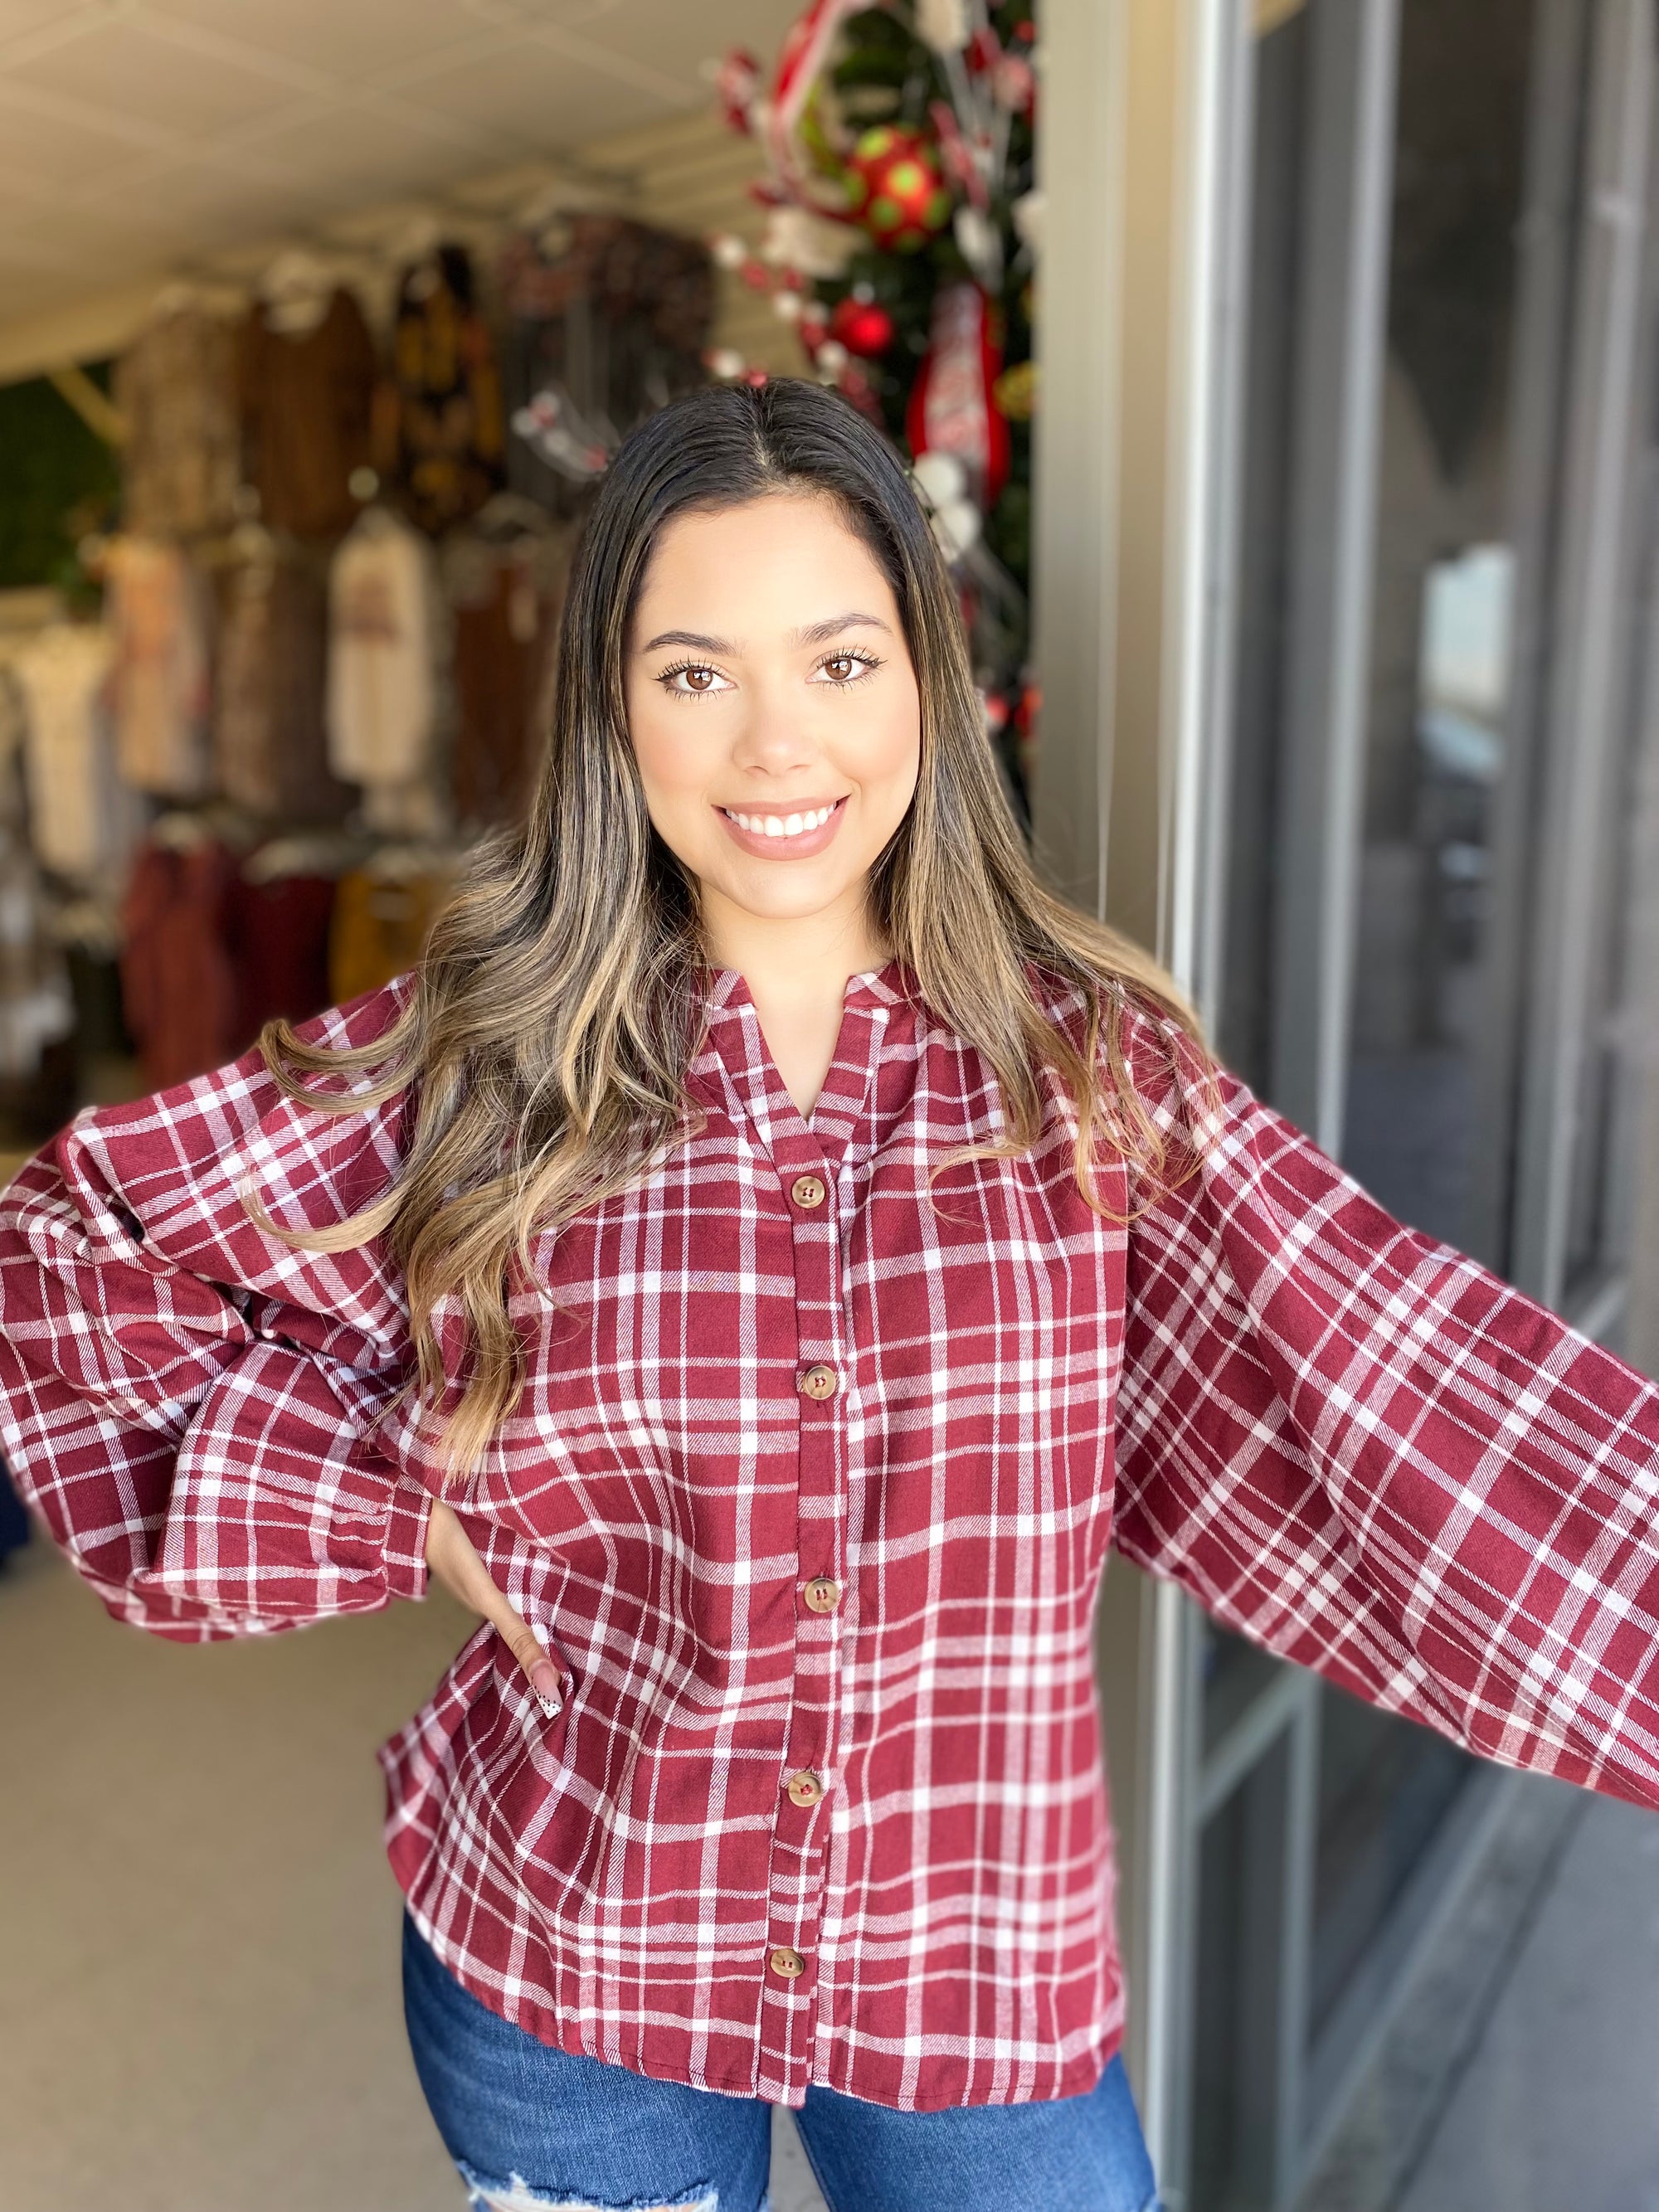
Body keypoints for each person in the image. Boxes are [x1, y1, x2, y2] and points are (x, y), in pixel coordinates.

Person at [0, 378, 1656, 2212]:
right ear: (612, 711)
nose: (775, 744)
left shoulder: (1091, 1082)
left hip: (975, 1975)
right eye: (695, 671)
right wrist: (404, 1495)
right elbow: (70, 1252)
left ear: (926, 688)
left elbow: (1414, 1399)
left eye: (841, 661)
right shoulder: (476, 1061)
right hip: (572, 1949)